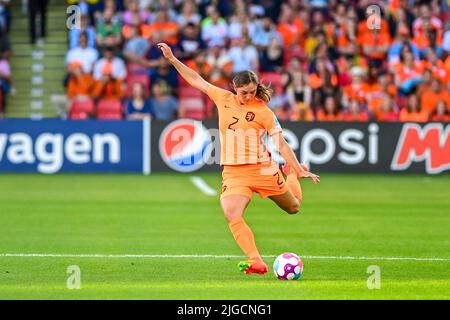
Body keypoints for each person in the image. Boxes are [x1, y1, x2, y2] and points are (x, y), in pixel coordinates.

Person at [157, 42, 320, 275]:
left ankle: (292, 175)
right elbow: (196, 80)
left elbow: (280, 144)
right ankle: (256, 261)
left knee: (293, 207)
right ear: (234, 88)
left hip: (262, 168)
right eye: (244, 92)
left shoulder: (264, 112)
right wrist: (172, 59)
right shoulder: (222, 97)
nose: (248, 96)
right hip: (234, 172)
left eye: (252, 92)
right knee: (231, 213)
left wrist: (296, 167)